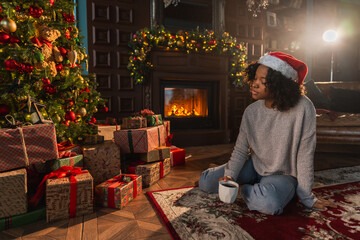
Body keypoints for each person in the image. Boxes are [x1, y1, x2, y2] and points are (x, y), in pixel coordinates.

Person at [198, 52, 336, 215]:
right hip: (255, 166)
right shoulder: (251, 111)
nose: (254, 85)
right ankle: (240, 178)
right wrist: (230, 175)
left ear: (279, 85)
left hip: (283, 175)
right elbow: (241, 150)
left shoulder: (304, 108)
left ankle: (246, 189)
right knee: (206, 182)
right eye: (254, 79)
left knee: (269, 203)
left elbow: (305, 155)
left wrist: (306, 197)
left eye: (262, 81)